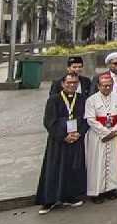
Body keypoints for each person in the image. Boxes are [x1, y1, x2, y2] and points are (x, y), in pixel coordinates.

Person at [36, 72, 88, 214]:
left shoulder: (82, 99)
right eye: (69, 83)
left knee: (72, 168)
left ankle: (70, 196)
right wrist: (63, 136)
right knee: (54, 169)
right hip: (58, 142)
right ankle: (49, 200)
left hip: (76, 139)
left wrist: (79, 133)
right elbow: (49, 121)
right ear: (63, 84)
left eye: (75, 83)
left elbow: (86, 119)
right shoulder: (54, 100)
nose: (72, 85)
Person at [85, 72, 117, 203]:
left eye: (109, 86)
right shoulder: (91, 100)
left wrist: (114, 131)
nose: (107, 88)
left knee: (112, 163)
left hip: (113, 135)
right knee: (97, 164)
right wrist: (105, 132)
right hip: (97, 136)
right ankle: (96, 192)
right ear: (98, 86)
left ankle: (110, 189)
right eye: (104, 86)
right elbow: (90, 120)